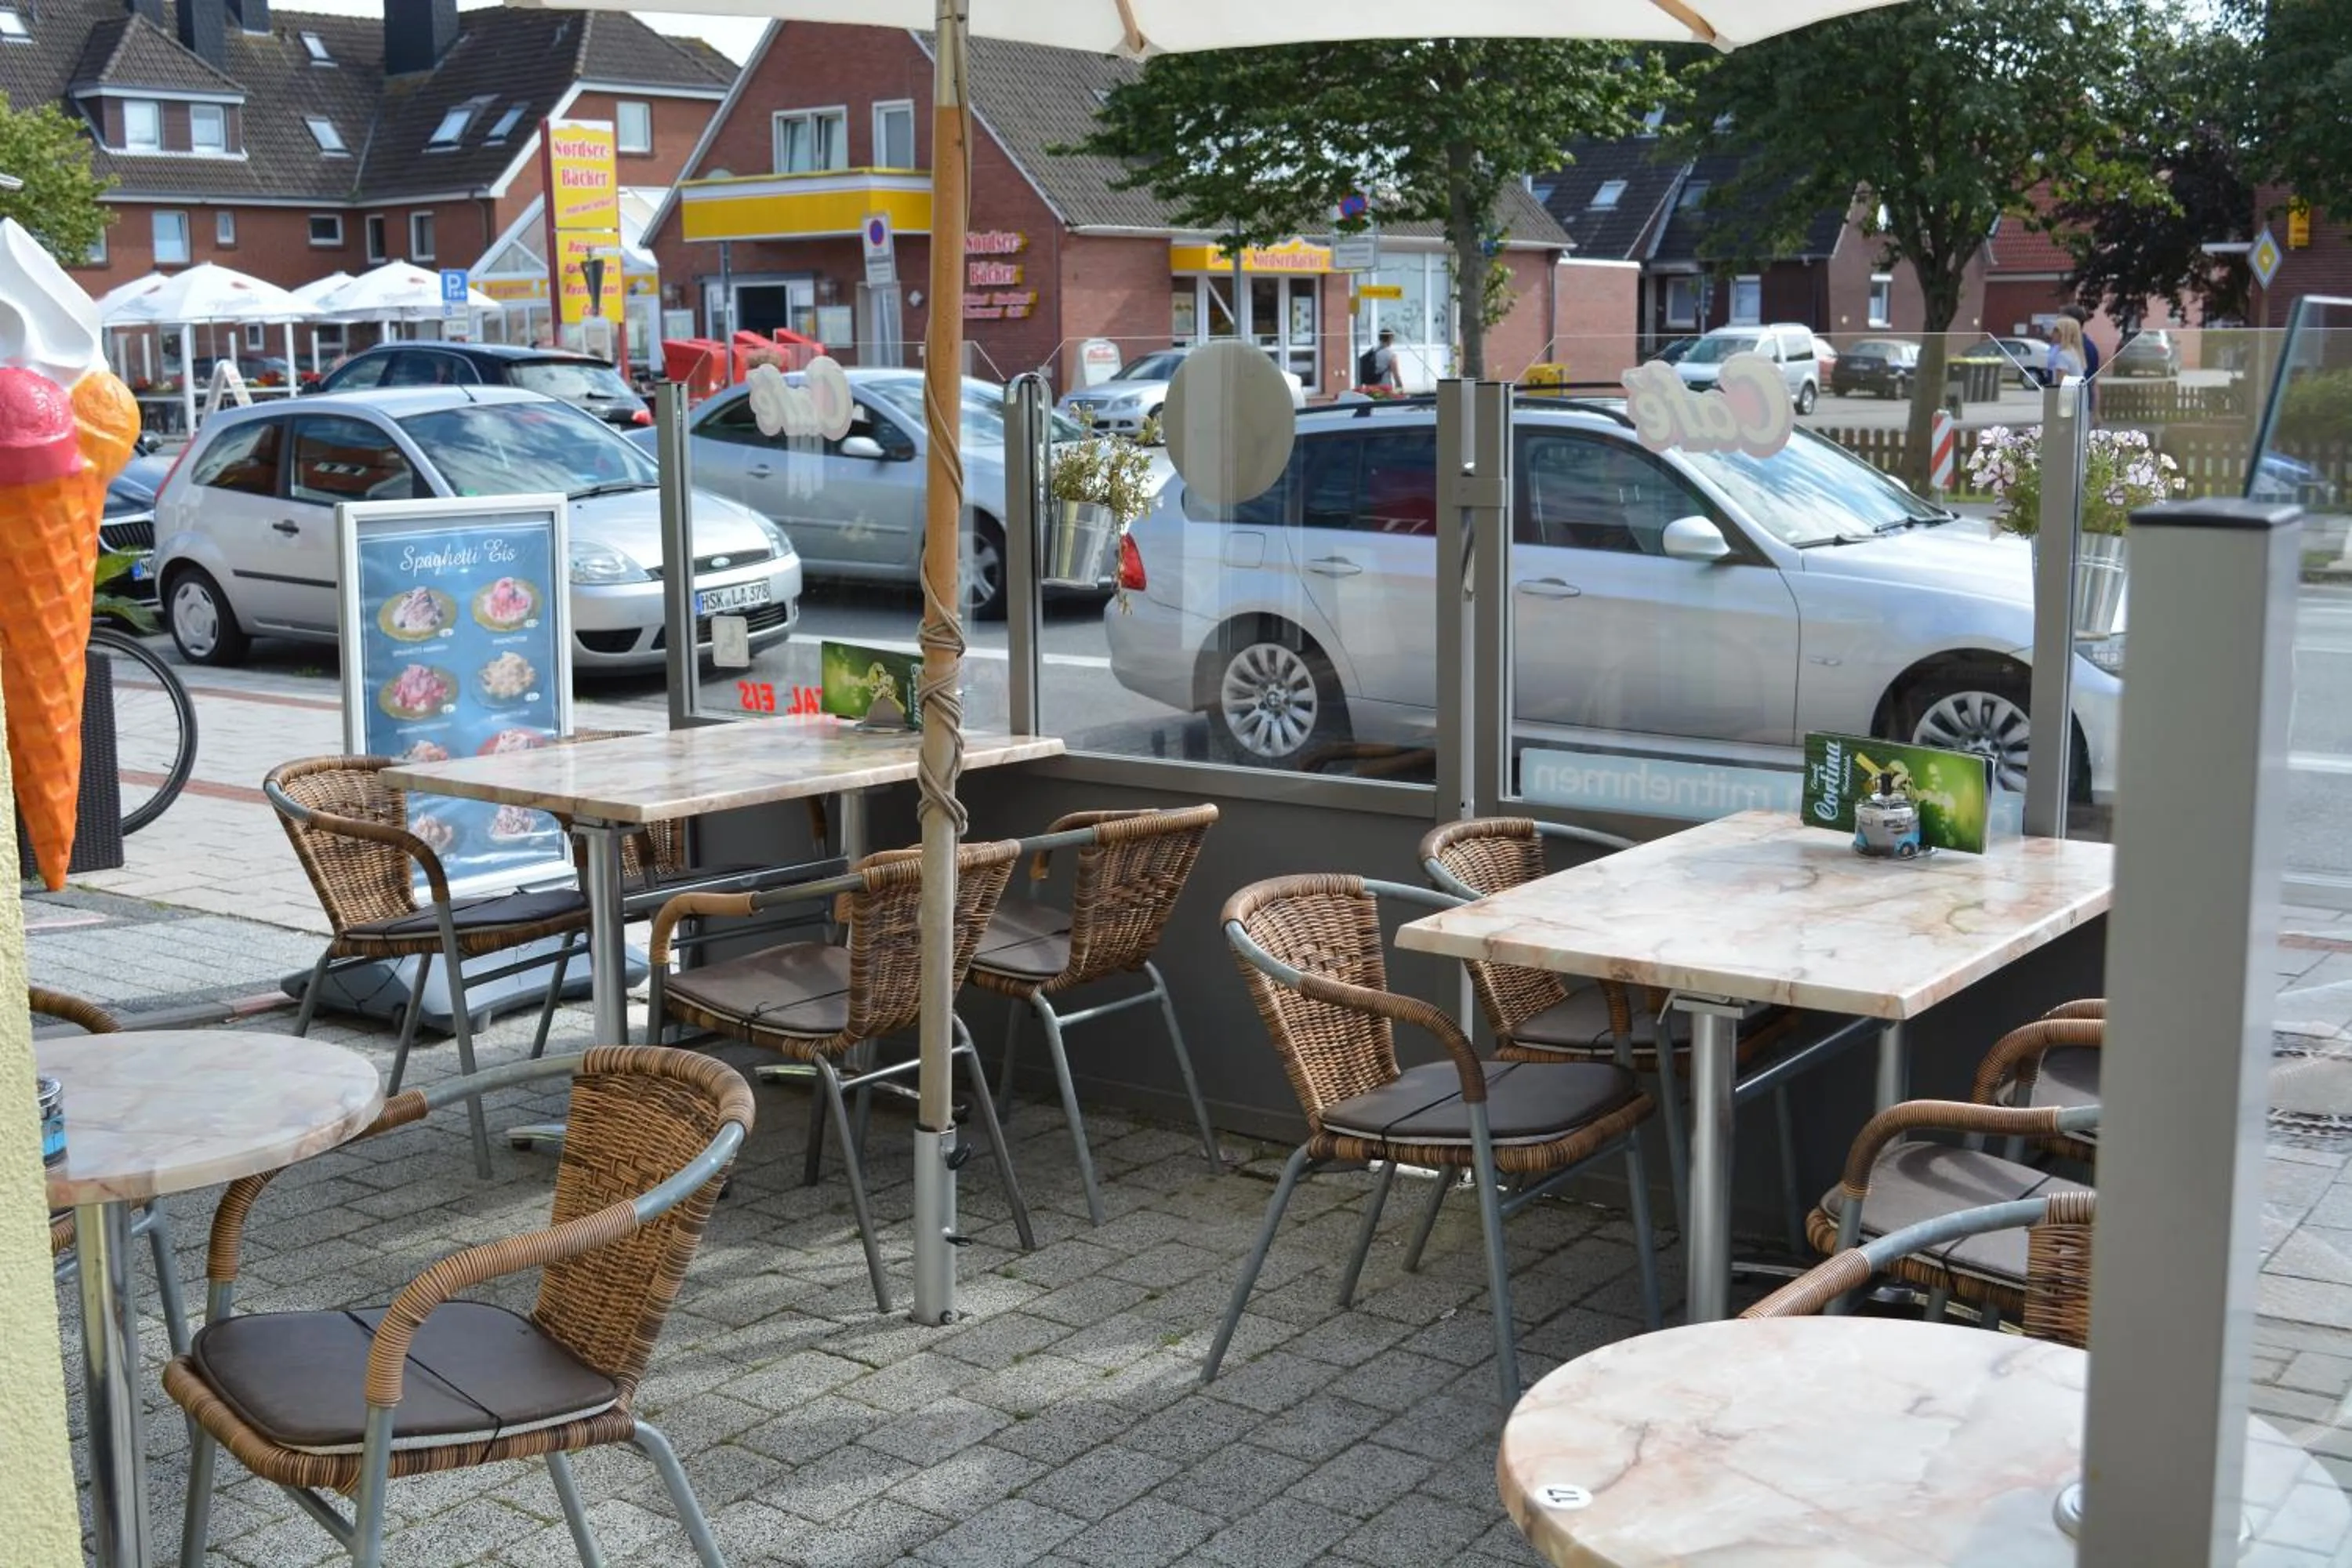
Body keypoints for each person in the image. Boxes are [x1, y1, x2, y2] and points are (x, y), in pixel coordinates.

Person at [1356, 328, 1402, 392]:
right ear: (1391, 339)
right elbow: (1396, 377)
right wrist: (1399, 392)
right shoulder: (1391, 355)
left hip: (1370, 388)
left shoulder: (1371, 352)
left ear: (1379, 338)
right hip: (1385, 389)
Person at [2045, 315, 2087, 382]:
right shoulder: (2075, 352)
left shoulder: (2063, 356)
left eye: (2056, 330)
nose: (2052, 333)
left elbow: (2061, 384)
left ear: (2065, 333)